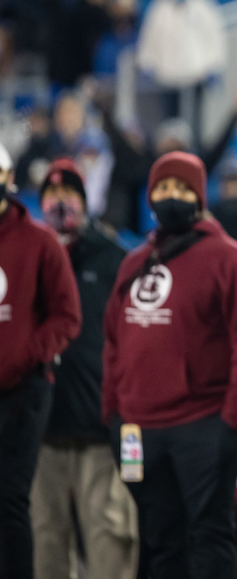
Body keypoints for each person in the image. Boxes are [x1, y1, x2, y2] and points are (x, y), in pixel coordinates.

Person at [102, 152, 237, 578]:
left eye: (181, 188)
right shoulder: (133, 262)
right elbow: (112, 343)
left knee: (208, 537)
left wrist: (232, 419)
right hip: (138, 431)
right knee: (157, 539)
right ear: (150, 195)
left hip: (204, 424)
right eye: (162, 188)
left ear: (198, 196)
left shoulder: (229, 259)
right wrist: (113, 414)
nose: (170, 196)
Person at [30, 160, 137, 579]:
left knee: (108, 536)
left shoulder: (115, 259)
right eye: (52, 196)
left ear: (85, 200)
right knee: (45, 538)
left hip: (99, 424)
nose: (61, 203)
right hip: (40, 424)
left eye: (70, 195)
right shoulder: (29, 256)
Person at [0, 144, 82, 579]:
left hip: (23, 391)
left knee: (11, 500)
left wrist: (22, 358)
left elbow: (67, 317)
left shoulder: (39, 242)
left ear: (9, 178)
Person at [99, 84, 237, 233]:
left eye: (178, 147)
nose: (172, 156)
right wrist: (103, 111)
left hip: (187, 236)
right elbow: (121, 148)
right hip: (143, 236)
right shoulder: (143, 167)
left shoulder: (194, 169)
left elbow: (218, 148)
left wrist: (236, 114)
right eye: (168, 146)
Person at [136, 0, 229, 133]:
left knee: (195, 120)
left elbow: (215, 37)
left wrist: (215, 65)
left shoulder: (204, 5)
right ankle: (170, 151)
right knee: (169, 121)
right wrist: (146, 62)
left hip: (197, 72)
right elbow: (150, 36)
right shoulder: (160, 6)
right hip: (167, 74)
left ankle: (195, 152)